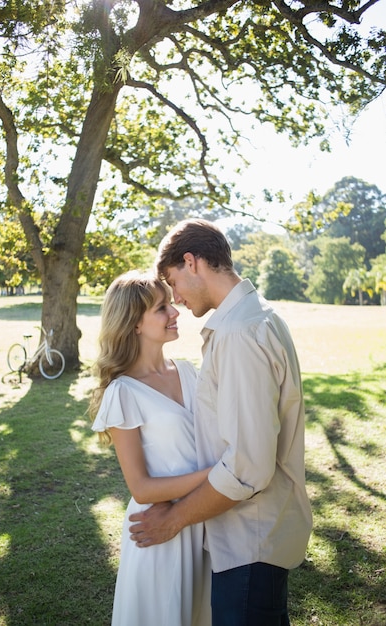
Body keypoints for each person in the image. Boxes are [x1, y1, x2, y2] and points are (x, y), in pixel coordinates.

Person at [128, 219, 313, 626]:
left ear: (191, 262)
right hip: (259, 536)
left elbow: (247, 469)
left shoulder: (238, 333)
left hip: (249, 541)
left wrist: (172, 520)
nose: (175, 297)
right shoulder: (259, 316)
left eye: (173, 281)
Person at [89, 270, 212, 626]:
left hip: (205, 519)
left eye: (172, 304)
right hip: (158, 534)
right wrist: (216, 476)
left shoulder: (189, 372)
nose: (175, 313)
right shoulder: (123, 392)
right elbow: (140, 487)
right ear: (135, 324)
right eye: (162, 308)